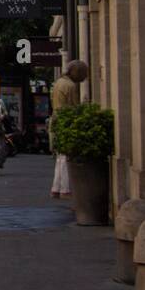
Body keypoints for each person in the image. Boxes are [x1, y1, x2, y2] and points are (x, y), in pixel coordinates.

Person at [49, 60, 88, 198]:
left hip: (56, 118)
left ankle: (56, 187)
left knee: (60, 156)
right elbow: (74, 106)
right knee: (67, 156)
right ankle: (65, 188)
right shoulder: (70, 86)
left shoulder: (58, 82)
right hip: (65, 120)